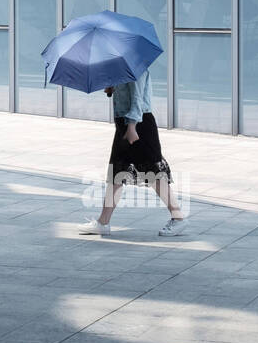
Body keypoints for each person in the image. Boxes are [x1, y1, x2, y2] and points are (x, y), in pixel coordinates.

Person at [77, 66, 187, 237]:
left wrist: (132, 126)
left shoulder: (136, 68)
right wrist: (113, 88)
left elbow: (138, 99)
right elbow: (128, 95)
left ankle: (178, 217)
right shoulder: (122, 69)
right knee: (117, 173)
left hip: (138, 126)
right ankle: (103, 222)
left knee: (154, 173)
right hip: (124, 124)